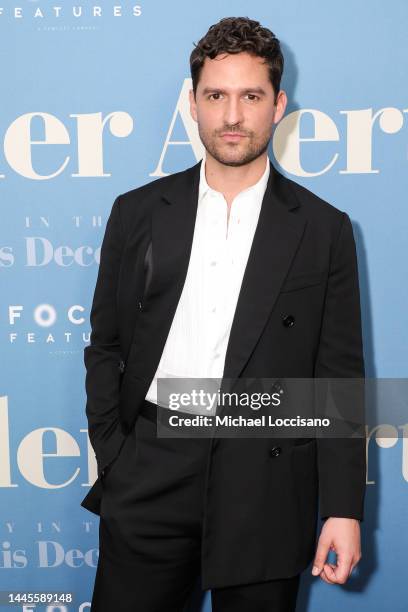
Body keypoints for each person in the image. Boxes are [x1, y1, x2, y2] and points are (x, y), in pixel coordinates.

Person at [81, 16, 366, 612]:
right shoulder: (136, 213)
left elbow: (337, 378)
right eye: (216, 95)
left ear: (278, 104)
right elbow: (106, 345)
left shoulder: (323, 229)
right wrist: (117, 453)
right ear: (193, 103)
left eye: (250, 96)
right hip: (152, 465)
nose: (232, 116)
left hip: (265, 471)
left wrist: (341, 507)